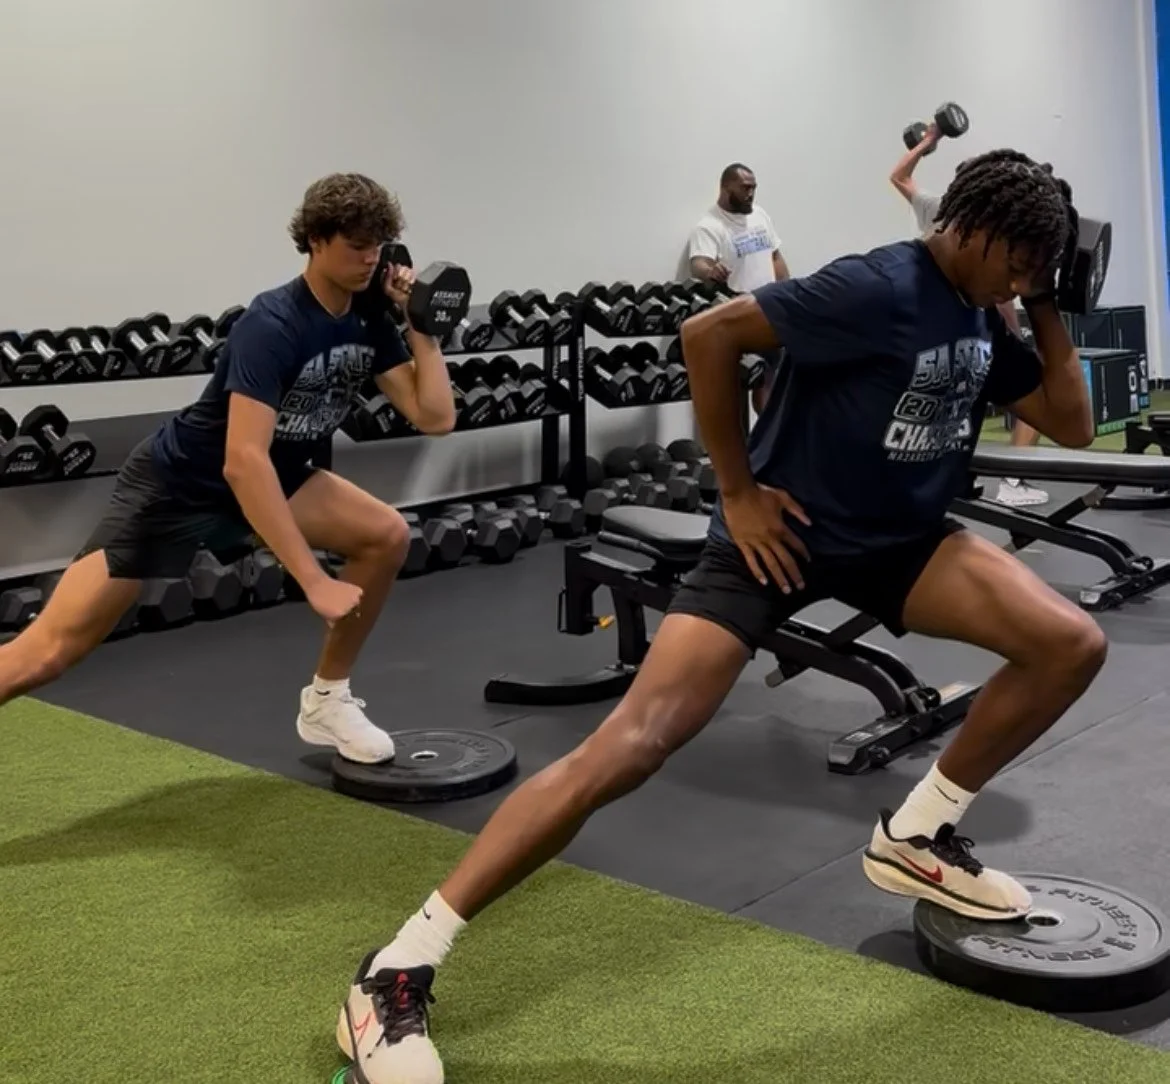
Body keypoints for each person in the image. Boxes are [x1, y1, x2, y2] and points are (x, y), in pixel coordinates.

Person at [334, 149, 1109, 1084]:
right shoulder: (876, 285)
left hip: (900, 544)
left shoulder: (987, 309)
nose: (1020, 281)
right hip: (774, 540)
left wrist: (1051, 301)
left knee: (1069, 643)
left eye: (1036, 268)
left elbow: (1070, 422)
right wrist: (737, 491)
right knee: (628, 747)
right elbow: (710, 335)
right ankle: (398, 967)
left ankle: (917, 836)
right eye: (1016, 261)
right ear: (969, 226)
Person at [0, 173, 456, 763]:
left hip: (281, 474)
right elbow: (243, 462)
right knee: (48, 654)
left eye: (379, 245)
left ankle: (328, 699)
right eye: (355, 245)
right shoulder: (273, 324)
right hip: (180, 487)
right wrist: (314, 580)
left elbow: (434, 415)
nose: (371, 259)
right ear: (315, 241)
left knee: (386, 535)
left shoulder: (369, 316)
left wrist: (423, 327)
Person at [891, 125, 1050, 507]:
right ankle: (1012, 480)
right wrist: (1016, 341)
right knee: (1033, 387)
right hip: (979, 322)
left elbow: (898, 176)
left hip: (943, 329)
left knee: (955, 400)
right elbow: (1002, 301)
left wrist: (928, 142)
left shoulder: (937, 208)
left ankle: (957, 476)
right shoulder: (984, 232)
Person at [687, 163, 791, 415]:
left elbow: (775, 255)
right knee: (745, 381)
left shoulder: (760, 215)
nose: (751, 194)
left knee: (769, 378)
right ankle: (743, 447)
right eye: (745, 188)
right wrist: (710, 270)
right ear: (725, 188)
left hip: (770, 306)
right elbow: (698, 263)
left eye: (754, 188)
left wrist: (788, 290)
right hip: (737, 310)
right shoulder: (710, 225)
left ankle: (766, 443)